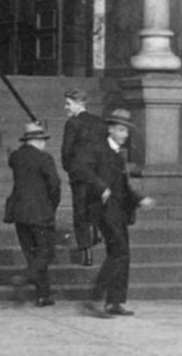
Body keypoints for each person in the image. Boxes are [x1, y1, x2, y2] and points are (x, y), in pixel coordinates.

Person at [70, 106, 146, 317]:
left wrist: (140, 199)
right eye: (121, 130)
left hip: (119, 209)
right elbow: (80, 168)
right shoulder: (97, 148)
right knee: (119, 250)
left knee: (122, 253)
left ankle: (114, 302)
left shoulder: (118, 155)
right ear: (111, 129)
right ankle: (95, 296)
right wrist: (100, 186)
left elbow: (124, 187)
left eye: (126, 131)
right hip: (103, 208)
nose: (124, 135)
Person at [6, 119, 61, 307]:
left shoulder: (15, 157)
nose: (44, 144)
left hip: (19, 212)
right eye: (43, 140)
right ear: (37, 141)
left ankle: (43, 295)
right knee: (46, 252)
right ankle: (25, 276)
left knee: (32, 254)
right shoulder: (45, 159)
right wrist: (51, 206)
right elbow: (55, 185)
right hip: (40, 212)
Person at [59, 87, 104, 266]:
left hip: (79, 174)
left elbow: (66, 151)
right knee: (93, 204)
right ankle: (96, 231)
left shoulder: (72, 123)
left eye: (68, 104)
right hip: (97, 173)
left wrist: (69, 168)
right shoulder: (99, 122)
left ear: (79, 104)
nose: (66, 107)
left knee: (80, 211)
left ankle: (87, 252)